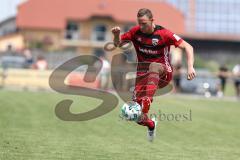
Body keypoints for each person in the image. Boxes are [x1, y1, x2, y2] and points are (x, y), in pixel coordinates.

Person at [111, 8, 196, 141]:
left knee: (153, 66)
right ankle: (151, 125)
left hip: (163, 73)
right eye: (139, 23)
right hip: (142, 77)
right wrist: (116, 35)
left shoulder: (164, 34)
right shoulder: (135, 32)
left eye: (144, 23)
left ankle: (147, 100)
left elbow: (188, 47)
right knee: (136, 116)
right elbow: (117, 43)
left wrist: (190, 67)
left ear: (152, 20)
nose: (142, 26)